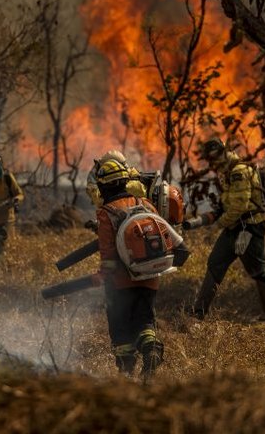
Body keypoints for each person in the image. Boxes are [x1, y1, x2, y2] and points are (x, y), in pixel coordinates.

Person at [92, 158, 177, 378]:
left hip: (120, 282)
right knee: (145, 320)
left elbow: (108, 255)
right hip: (150, 276)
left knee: (120, 326)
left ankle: (126, 371)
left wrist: (102, 276)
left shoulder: (106, 213)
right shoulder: (145, 203)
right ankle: (151, 348)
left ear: (103, 186)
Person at [182, 137, 265, 322]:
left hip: (250, 227)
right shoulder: (226, 172)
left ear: (223, 154)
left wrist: (218, 225)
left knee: (258, 270)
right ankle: (198, 313)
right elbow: (226, 205)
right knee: (215, 263)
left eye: (213, 158)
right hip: (234, 227)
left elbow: (239, 207)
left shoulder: (239, 172)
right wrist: (202, 220)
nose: (212, 164)